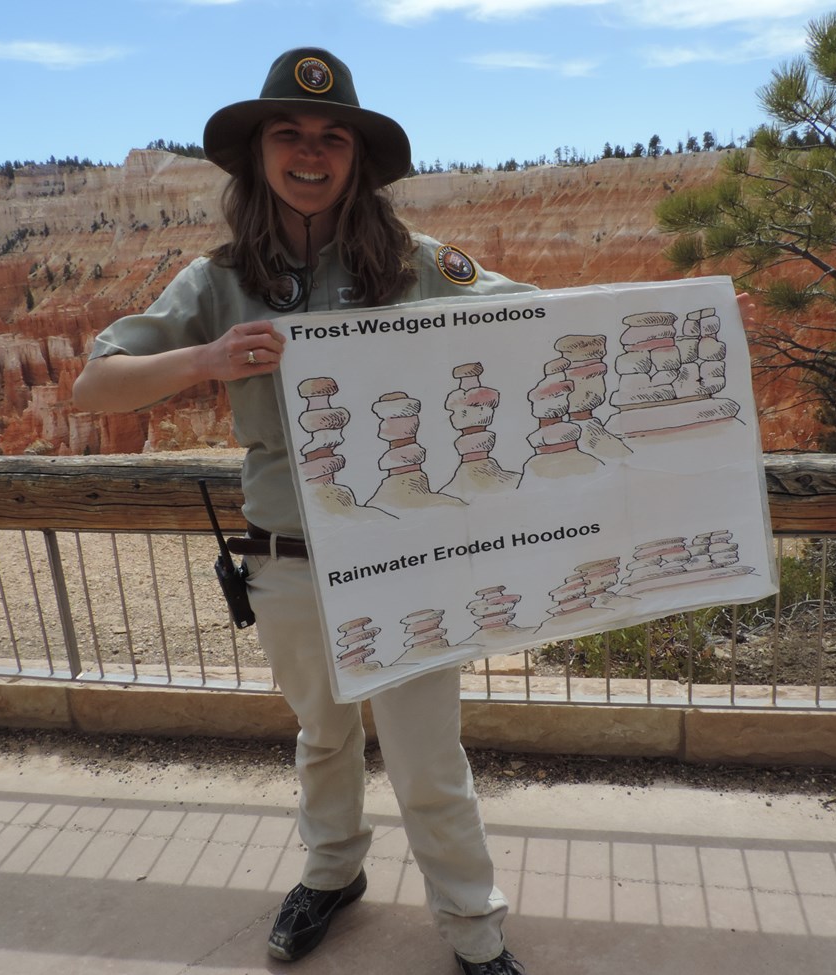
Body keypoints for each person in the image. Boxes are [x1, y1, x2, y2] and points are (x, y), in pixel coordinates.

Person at [72, 47, 530, 975]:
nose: (311, 151)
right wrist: (204, 361)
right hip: (283, 558)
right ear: (259, 155)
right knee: (323, 734)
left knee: (425, 758)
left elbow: (537, 322)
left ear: (357, 157)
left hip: (405, 555)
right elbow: (96, 386)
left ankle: (476, 935)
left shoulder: (416, 266)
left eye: (331, 136)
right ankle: (331, 874)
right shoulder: (218, 281)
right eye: (290, 133)